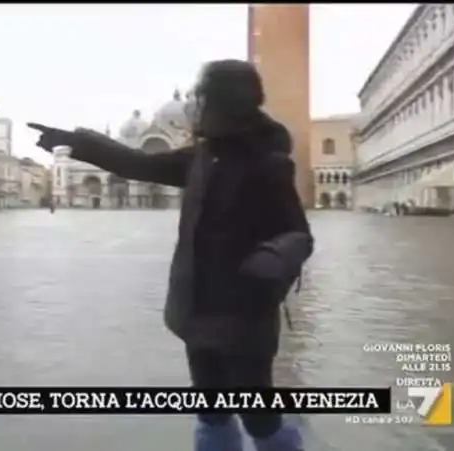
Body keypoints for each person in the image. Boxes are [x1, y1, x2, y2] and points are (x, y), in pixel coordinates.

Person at [28, 59, 313, 451]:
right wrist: (78, 142)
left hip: (246, 310)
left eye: (201, 96)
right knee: (210, 409)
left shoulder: (268, 164)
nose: (193, 105)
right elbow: (139, 163)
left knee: (257, 413)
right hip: (196, 307)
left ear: (223, 102)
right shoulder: (199, 158)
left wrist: (274, 257)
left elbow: (297, 232)